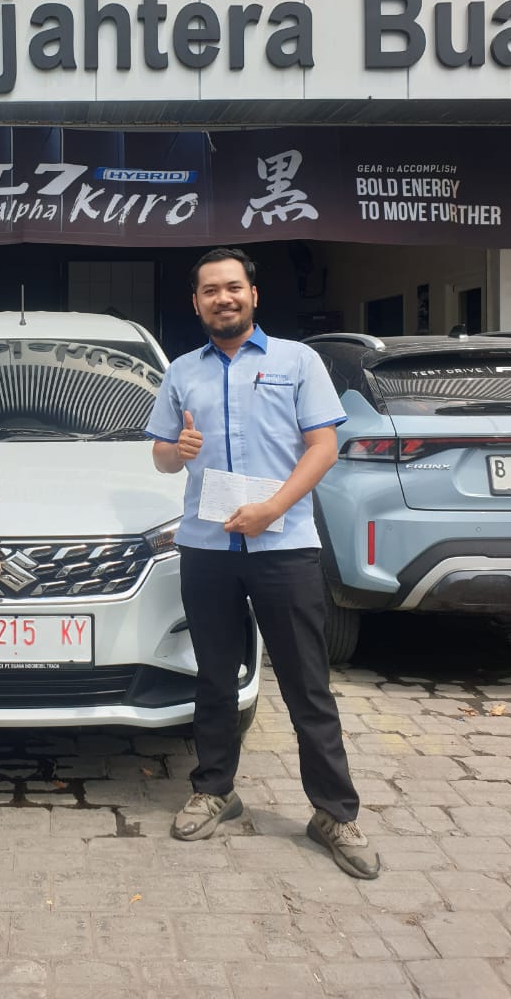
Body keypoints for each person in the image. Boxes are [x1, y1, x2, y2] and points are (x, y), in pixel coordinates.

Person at [145, 247, 380, 880]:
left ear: (253, 294)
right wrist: (177, 450)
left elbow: (323, 446)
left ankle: (334, 813)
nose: (222, 298)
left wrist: (273, 507)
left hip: (285, 546)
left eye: (232, 287)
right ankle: (214, 790)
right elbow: (161, 457)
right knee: (214, 677)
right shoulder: (181, 372)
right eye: (210, 291)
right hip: (207, 547)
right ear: (196, 303)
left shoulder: (297, 361)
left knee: (307, 683)